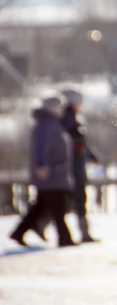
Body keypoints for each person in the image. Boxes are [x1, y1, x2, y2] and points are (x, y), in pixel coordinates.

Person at [9, 92, 77, 247]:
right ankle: (65, 239)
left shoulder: (50, 123)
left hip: (54, 173)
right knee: (58, 207)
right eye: (60, 107)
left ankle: (19, 232)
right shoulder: (45, 124)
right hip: (50, 174)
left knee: (41, 206)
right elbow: (41, 147)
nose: (62, 110)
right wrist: (42, 165)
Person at [60, 88, 100, 242]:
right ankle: (84, 233)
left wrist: (90, 155)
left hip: (74, 166)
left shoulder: (70, 118)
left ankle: (84, 232)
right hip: (74, 167)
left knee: (69, 200)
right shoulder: (70, 118)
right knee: (76, 199)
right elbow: (75, 142)